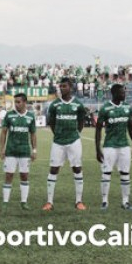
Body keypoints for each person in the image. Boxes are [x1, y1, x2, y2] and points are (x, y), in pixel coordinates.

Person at [43, 77, 87, 211]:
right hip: (58, 142)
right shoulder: (55, 104)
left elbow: (81, 122)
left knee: (77, 169)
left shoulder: (78, 105)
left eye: (64, 86)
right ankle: (49, 202)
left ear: (71, 88)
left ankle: (79, 201)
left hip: (74, 141)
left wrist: (75, 133)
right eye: (60, 86)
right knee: (53, 169)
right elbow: (51, 122)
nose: (62, 88)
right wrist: (57, 134)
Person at [95, 84, 132, 211]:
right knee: (106, 173)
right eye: (121, 92)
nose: (124, 94)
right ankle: (104, 201)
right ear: (114, 93)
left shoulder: (127, 107)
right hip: (109, 146)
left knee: (125, 174)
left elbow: (130, 126)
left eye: (124, 92)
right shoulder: (105, 108)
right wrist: (97, 148)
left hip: (124, 146)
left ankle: (125, 202)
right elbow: (98, 129)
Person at [0, 93, 37, 211]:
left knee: (24, 176)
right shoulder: (9, 115)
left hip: (25, 151)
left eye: (18, 102)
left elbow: (33, 134)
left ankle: (24, 202)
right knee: (9, 175)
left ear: (25, 102)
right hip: (11, 151)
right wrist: (2, 149)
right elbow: (4, 132)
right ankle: (5, 203)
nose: (16, 104)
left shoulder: (30, 116)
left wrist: (34, 150)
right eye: (15, 102)